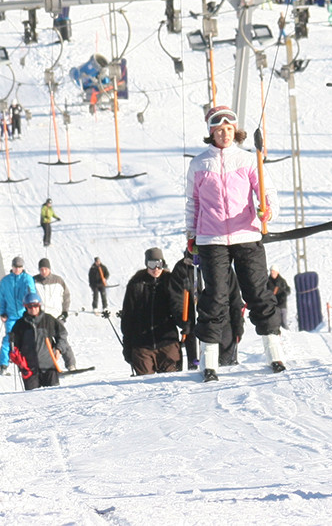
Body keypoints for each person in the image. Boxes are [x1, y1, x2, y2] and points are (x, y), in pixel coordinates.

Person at [186, 105, 284, 380]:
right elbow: (193, 202)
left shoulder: (248, 160)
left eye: (229, 129)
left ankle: (275, 354)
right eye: (219, 130)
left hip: (246, 235)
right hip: (211, 239)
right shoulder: (199, 164)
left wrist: (268, 211)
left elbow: (267, 192)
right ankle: (209, 362)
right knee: (215, 298)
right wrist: (191, 234)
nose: (225, 134)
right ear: (211, 133)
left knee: (258, 293)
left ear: (235, 130)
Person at [121, 246, 189, 375]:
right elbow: (128, 316)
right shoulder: (136, 284)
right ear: (146, 264)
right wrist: (127, 345)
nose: (156, 269)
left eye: (159, 264)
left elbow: (178, 306)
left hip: (167, 343)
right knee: (145, 383)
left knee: (171, 382)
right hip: (142, 346)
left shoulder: (170, 282)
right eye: (152, 264)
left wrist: (185, 323)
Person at [9, 292, 70, 390]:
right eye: (30, 306)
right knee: (33, 397)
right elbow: (13, 346)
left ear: (39, 305)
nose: (33, 309)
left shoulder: (48, 320)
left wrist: (59, 349)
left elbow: (62, 334)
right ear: (25, 307)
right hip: (29, 370)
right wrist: (17, 359)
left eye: (35, 305)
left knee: (53, 395)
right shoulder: (20, 325)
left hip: (49, 367)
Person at [0, 256, 36, 375]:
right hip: (11, 315)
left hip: (24, 314)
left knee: (27, 338)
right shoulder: (5, 281)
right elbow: (2, 298)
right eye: (15, 267)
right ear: (12, 267)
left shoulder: (27, 279)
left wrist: (31, 309)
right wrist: (2, 312)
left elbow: (32, 294)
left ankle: (28, 364)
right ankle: (4, 365)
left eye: (19, 267)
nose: (17, 269)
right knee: (10, 339)